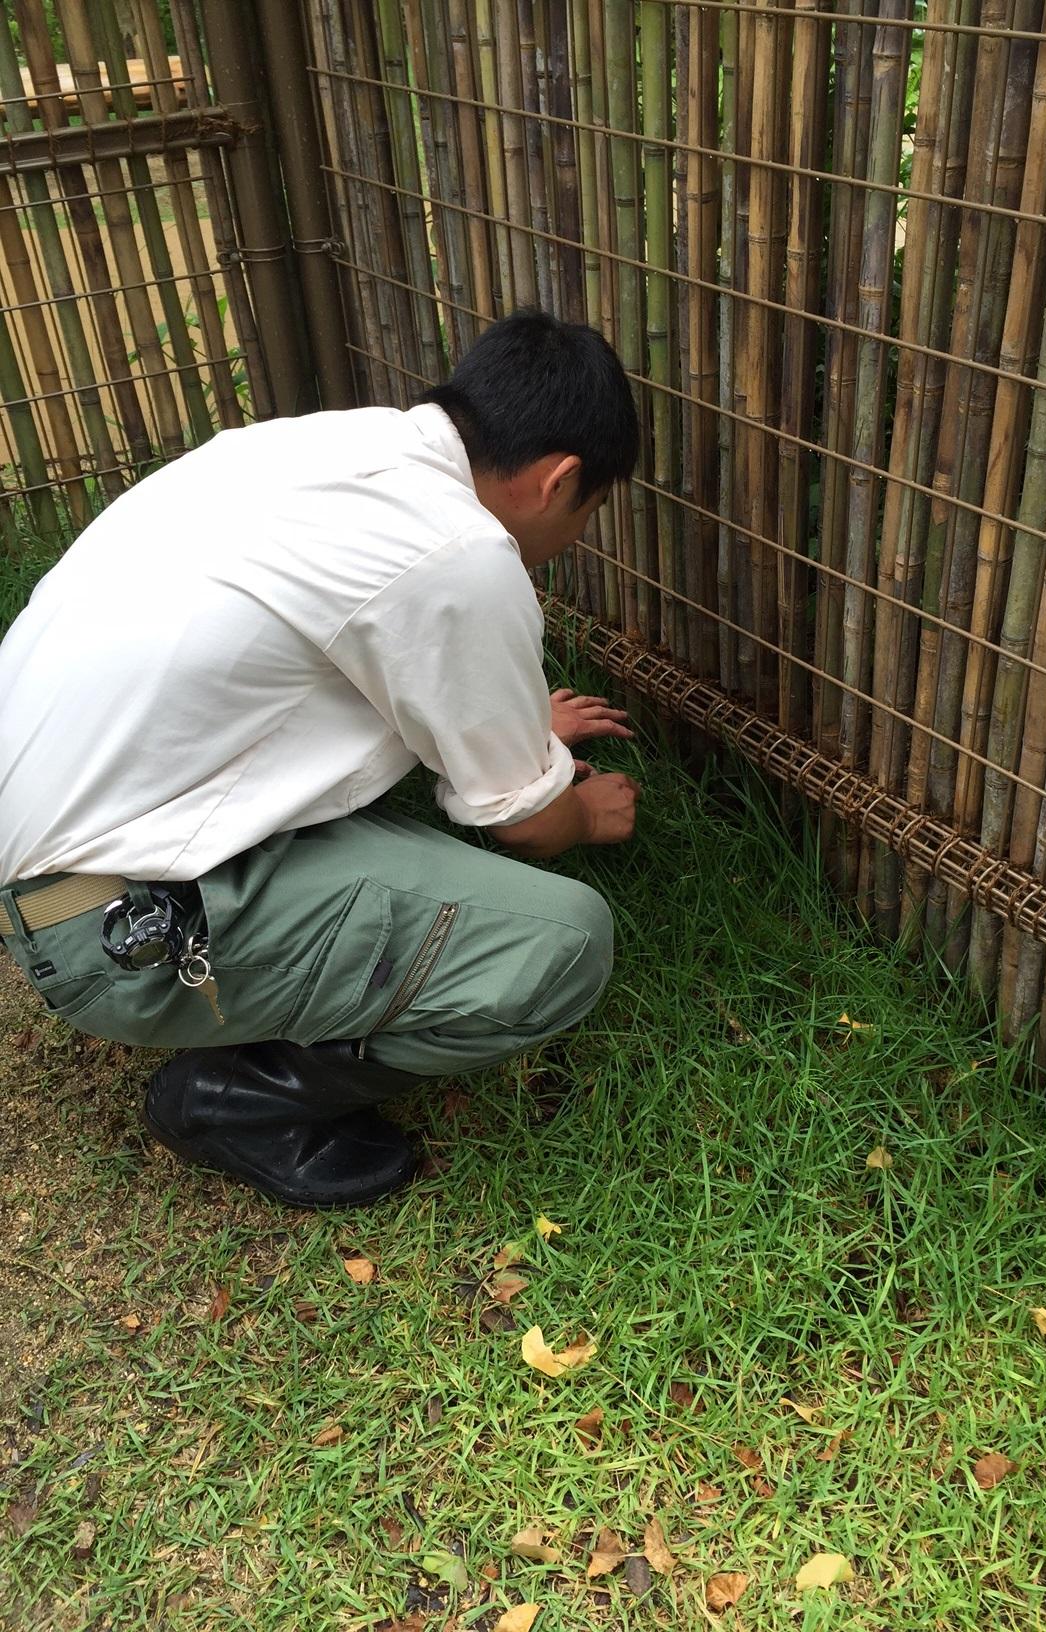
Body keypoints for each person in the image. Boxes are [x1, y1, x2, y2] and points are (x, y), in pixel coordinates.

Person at [0, 309, 641, 1209]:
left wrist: (520, 727)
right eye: (592, 508)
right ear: (561, 479)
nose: (579, 532)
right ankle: (236, 1101)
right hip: (109, 933)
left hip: (53, 858)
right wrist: (582, 808)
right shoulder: (462, 551)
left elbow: (319, 664)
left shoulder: (326, 449)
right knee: (565, 942)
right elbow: (529, 827)